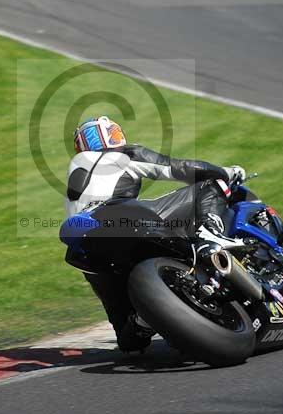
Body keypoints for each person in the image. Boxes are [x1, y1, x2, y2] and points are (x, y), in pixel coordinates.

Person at [65, 116, 246, 352]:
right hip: (119, 219)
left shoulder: (76, 170)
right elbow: (179, 168)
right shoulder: (124, 155)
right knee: (210, 185)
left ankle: (141, 322)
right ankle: (210, 234)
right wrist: (226, 172)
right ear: (114, 136)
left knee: (128, 341)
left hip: (85, 247)